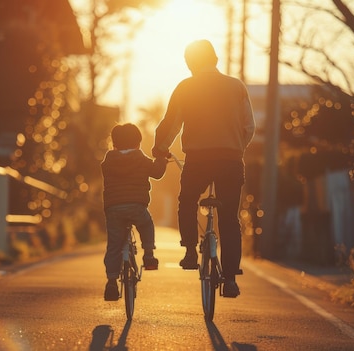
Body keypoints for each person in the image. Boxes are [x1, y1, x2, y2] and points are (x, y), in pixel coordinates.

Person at [152, 39, 255, 298]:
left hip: (198, 160)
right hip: (231, 160)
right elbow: (248, 127)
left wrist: (160, 148)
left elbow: (171, 123)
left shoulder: (186, 87)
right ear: (216, 59)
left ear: (190, 63)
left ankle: (189, 251)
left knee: (187, 201)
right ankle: (230, 278)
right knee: (230, 219)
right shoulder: (236, 86)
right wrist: (236, 148)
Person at [101, 123, 168, 301]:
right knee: (146, 225)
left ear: (114, 144)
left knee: (114, 244)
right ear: (138, 143)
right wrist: (162, 159)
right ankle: (149, 255)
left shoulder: (108, 161)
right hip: (137, 206)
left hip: (114, 208)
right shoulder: (140, 158)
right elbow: (157, 172)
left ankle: (111, 281)